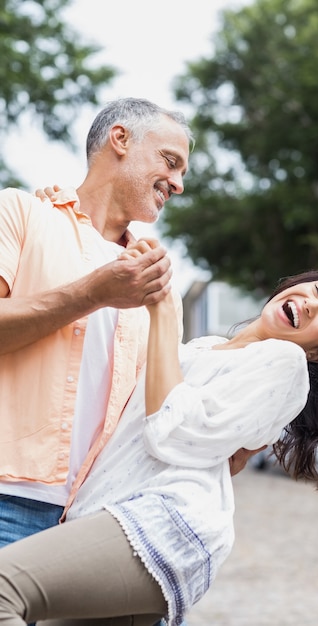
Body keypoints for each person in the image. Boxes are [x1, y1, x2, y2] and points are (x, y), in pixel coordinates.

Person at [0, 265, 318, 626]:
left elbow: (170, 434)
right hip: (102, 516)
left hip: (161, 524)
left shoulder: (284, 362)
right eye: (317, 289)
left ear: (317, 352)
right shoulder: (200, 349)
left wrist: (162, 312)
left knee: (4, 587)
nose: (312, 304)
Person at [0, 97, 193, 551]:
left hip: (99, 520)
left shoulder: (160, 288)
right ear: (120, 139)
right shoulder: (21, 213)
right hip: (7, 500)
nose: (179, 184)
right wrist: (92, 294)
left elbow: (163, 415)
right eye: (171, 162)